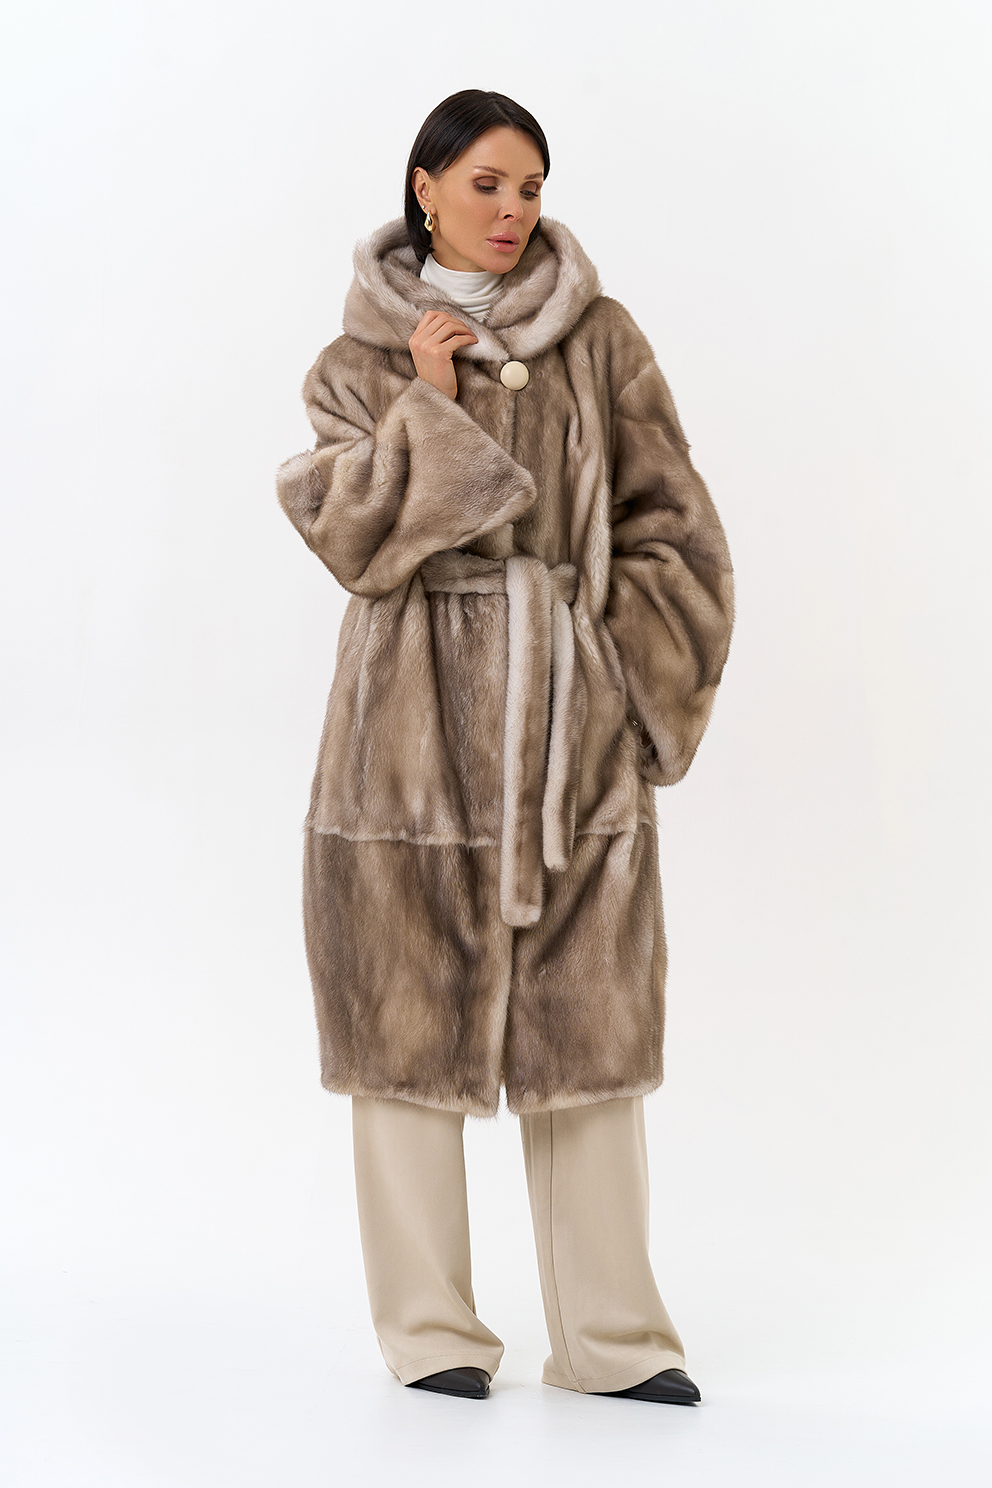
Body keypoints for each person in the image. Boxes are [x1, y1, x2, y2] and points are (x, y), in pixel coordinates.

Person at [276, 89, 734, 1404]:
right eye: (485, 183)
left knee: (588, 1040)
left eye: (530, 187)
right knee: (400, 1033)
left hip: (566, 738)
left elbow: (677, 534)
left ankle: (612, 1341)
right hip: (404, 742)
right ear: (425, 188)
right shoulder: (356, 362)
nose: (512, 209)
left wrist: (623, 696)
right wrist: (428, 407)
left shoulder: (601, 340)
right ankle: (430, 1334)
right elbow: (350, 540)